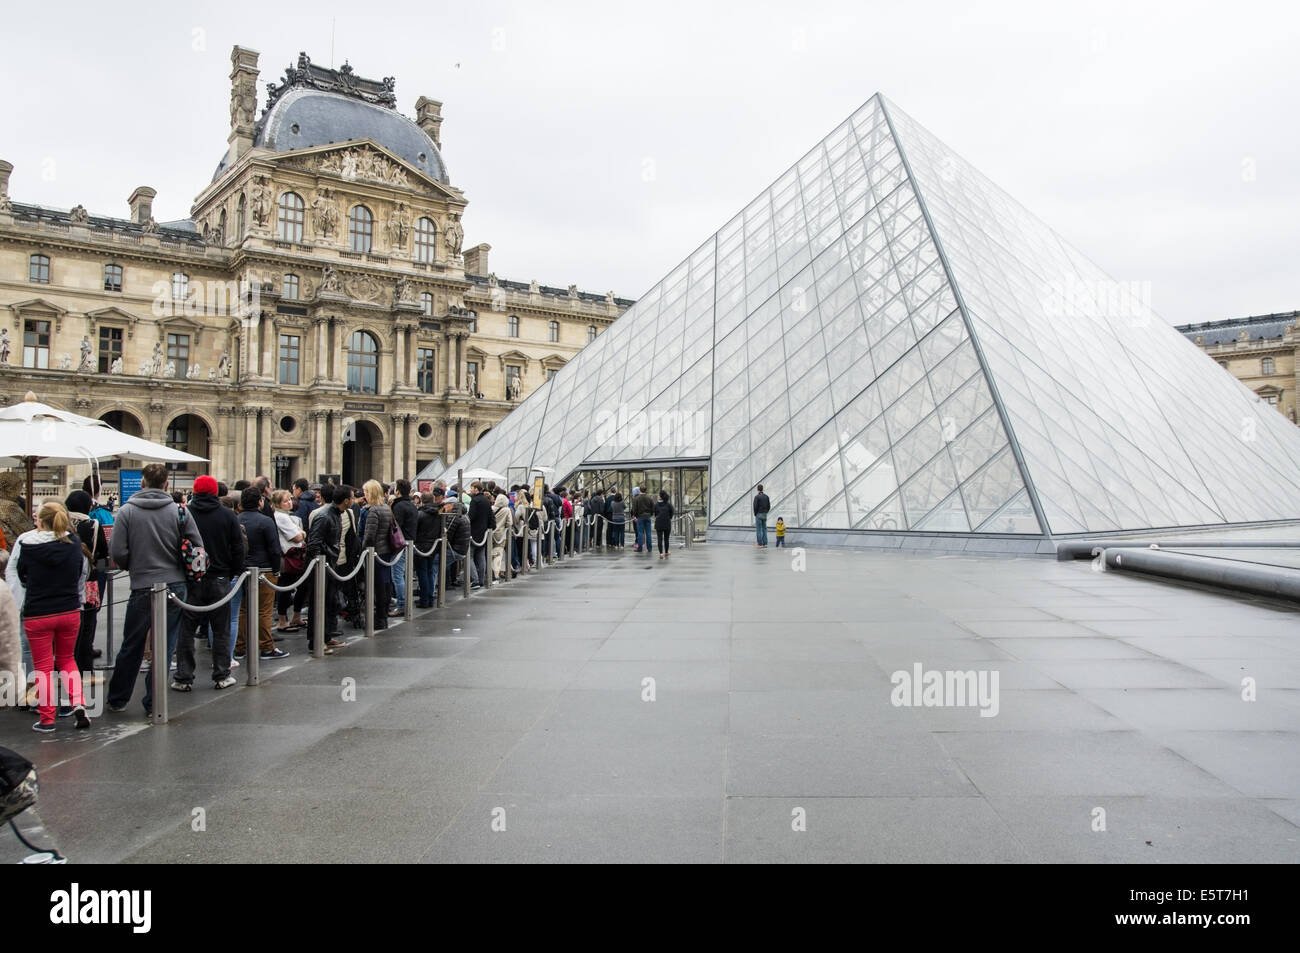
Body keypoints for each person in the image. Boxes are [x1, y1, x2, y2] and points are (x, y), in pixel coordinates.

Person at [106, 463, 203, 716]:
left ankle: (118, 698)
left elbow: (117, 551)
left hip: (142, 584)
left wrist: (133, 565)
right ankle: (153, 702)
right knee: (165, 645)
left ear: (142, 483)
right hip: (175, 585)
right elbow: (197, 548)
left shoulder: (127, 511)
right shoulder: (180, 512)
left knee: (132, 644)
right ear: (167, 484)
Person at [6, 501, 91, 731]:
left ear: (41, 521)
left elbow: (22, 575)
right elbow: (77, 572)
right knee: (67, 659)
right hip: (69, 609)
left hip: (38, 612)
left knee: (43, 666)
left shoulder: (27, 544)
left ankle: (47, 719)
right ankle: (79, 704)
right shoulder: (73, 543)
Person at [173, 476, 244, 690]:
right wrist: (233, 572)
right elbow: (238, 547)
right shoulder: (228, 515)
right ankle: (222, 674)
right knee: (220, 628)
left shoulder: (184, 514)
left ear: (194, 491)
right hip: (220, 577)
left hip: (190, 578)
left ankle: (184, 677)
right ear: (216, 493)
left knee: (186, 629)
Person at [235, 487, 288, 661]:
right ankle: (266, 646)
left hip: (243, 569)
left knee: (243, 610)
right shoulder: (265, 521)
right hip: (264, 569)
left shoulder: (236, 519)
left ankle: (240, 647)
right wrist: (276, 569)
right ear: (260, 501)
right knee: (264, 611)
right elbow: (274, 549)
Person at [64, 490, 109, 681]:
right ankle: (84, 669)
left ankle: (63, 667)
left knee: (66, 627)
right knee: (87, 624)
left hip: (63, 581)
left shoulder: (61, 522)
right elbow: (102, 552)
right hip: (89, 580)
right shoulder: (92, 524)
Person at [305, 485, 353, 653]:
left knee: (328, 602)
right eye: (351, 498)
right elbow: (314, 543)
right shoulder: (324, 516)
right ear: (346, 500)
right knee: (318, 604)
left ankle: (325, 636)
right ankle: (315, 640)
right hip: (322, 566)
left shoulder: (337, 515)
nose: (353, 501)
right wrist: (321, 561)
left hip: (330, 564)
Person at [272, 489, 308, 632]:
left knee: (301, 586)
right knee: (286, 587)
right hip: (289, 556)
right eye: (285, 501)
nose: (289, 503)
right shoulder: (281, 517)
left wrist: (301, 533)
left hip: (295, 555)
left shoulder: (287, 516)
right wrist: (302, 533)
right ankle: (283, 620)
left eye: (290, 499)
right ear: (278, 504)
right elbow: (297, 537)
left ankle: (295, 617)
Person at [361, 480, 395, 629]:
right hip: (386, 551)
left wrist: (363, 550)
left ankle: (379, 618)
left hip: (375, 552)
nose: (364, 495)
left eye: (366, 492)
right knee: (385, 583)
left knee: (377, 586)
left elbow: (369, 535)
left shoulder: (373, 510)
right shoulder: (386, 508)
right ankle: (383, 616)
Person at [390, 479, 418, 616]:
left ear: (398, 491)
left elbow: (395, 527)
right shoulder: (412, 505)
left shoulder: (399, 506)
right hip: (410, 542)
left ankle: (402, 604)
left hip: (400, 544)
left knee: (397, 575)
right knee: (404, 574)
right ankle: (405, 601)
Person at [414, 490, 442, 607]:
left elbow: (415, 530)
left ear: (422, 501)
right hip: (433, 546)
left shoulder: (420, 514)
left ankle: (424, 599)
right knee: (430, 572)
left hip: (421, 546)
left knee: (422, 573)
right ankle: (429, 598)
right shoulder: (438, 514)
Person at [467, 482, 492, 587]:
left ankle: (475, 579)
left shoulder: (474, 501)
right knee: (481, 557)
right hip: (484, 532)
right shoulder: (486, 500)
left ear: (476, 489)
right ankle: (481, 580)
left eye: (471, 488)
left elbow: (470, 517)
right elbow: (491, 516)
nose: (470, 490)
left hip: (474, 532)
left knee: (470, 557)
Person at [492, 487, 511, 580]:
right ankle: (496, 574)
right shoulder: (507, 510)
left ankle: (490, 573)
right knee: (498, 555)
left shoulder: (491, 508)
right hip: (501, 534)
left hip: (490, 533)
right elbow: (509, 523)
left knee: (490, 554)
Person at [631, 482, 655, 553]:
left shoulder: (636, 499)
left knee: (640, 533)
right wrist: (650, 514)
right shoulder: (649, 498)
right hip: (648, 517)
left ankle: (640, 548)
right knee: (648, 533)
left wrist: (635, 516)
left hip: (640, 517)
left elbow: (635, 509)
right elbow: (652, 508)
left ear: (640, 490)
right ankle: (649, 548)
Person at [654, 489, 675, 559]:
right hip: (667, 523)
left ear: (660, 496)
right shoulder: (668, 504)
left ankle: (660, 553)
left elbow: (655, 513)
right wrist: (669, 517)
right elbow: (672, 512)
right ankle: (666, 552)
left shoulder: (656, 504)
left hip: (658, 523)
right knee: (666, 538)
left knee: (659, 538)